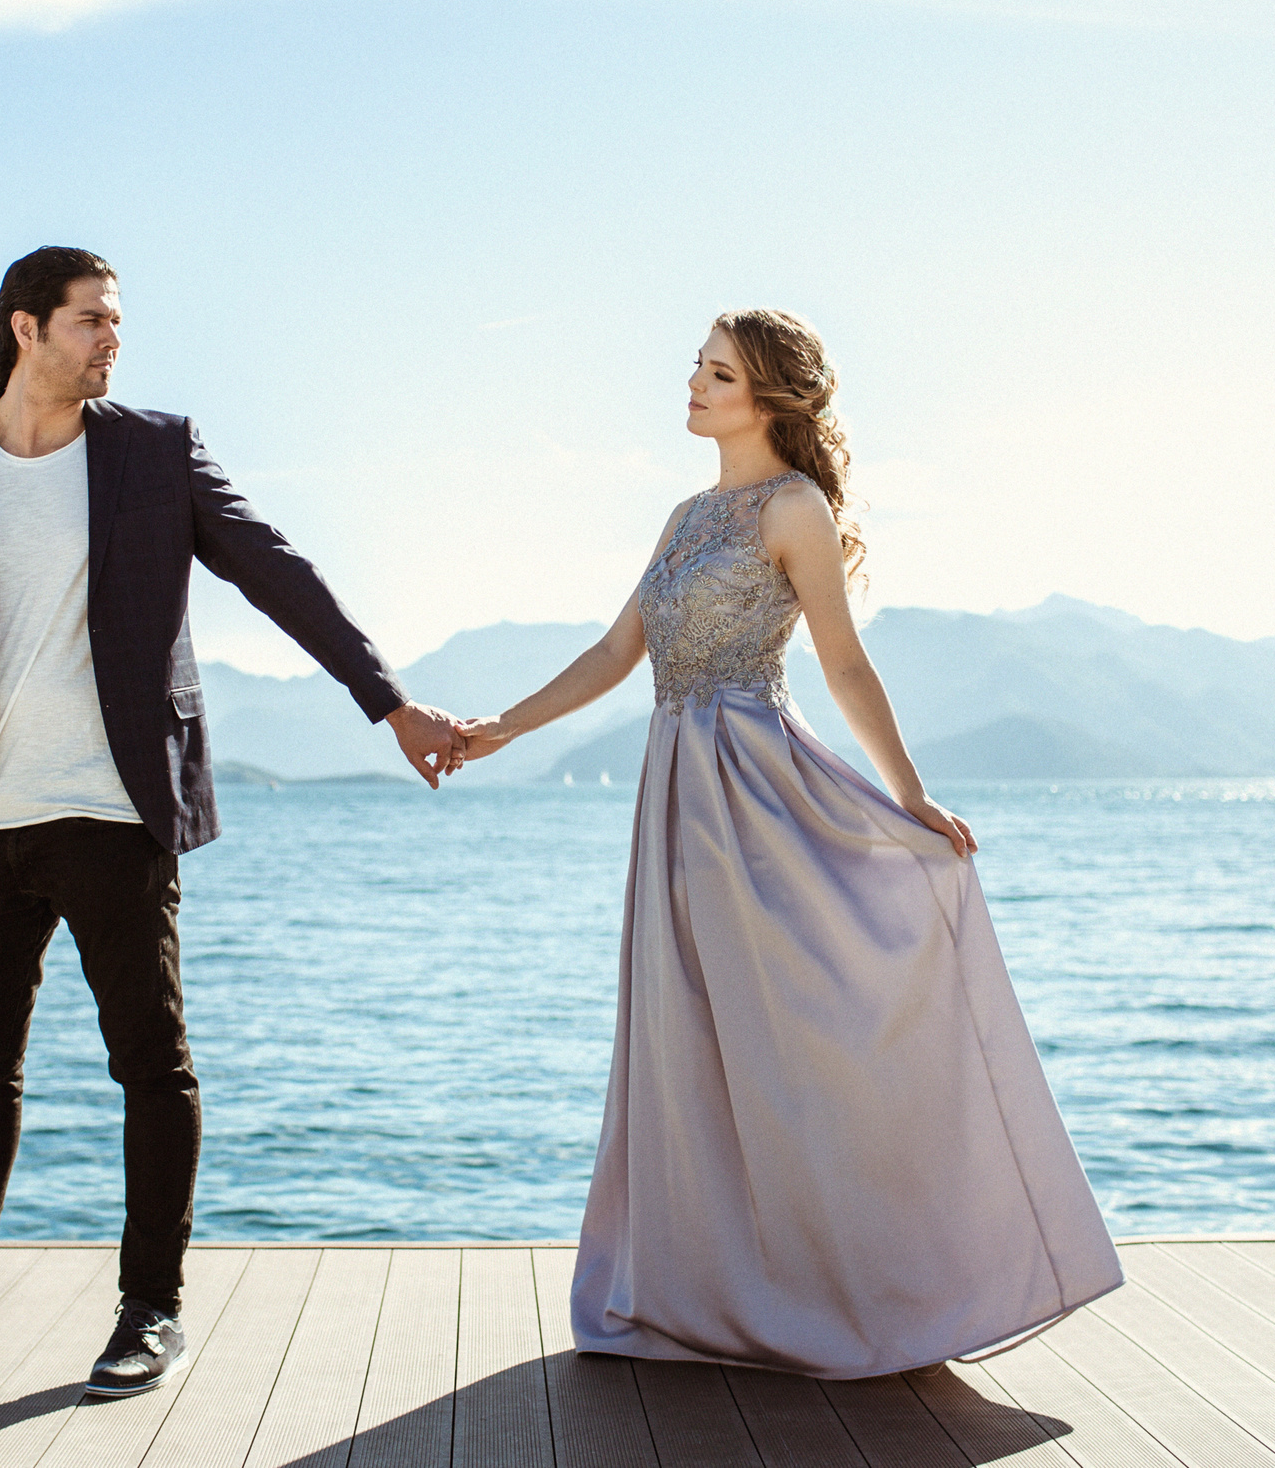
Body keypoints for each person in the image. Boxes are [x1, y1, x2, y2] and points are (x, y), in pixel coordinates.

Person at [0, 246, 464, 1394]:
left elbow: (274, 571)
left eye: (116, 321)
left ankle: (149, 1310)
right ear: (24, 329)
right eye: (90, 321)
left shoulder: (152, 451)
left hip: (115, 811)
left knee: (149, 1066)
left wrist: (388, 703)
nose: (111, 339)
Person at [452, 309, 1122, 1376]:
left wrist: (912, 799)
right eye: (697, 366)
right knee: (690, 1038)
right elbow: (616, 651)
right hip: (675, 783)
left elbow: (844, 665)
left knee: (786, 1036)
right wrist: (502, 728)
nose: (693, 383)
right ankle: (709, 1290)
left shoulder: (795, 507)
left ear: (768, 398)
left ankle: (869, 1276)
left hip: (753, 784)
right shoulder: (682, 517)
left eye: (717, 373)